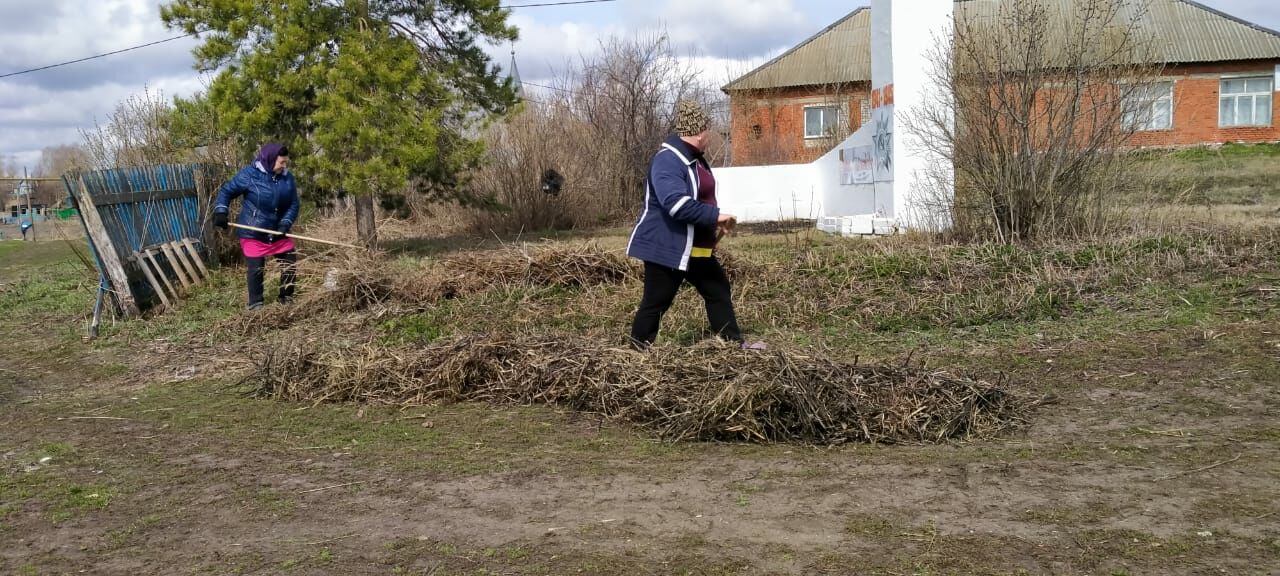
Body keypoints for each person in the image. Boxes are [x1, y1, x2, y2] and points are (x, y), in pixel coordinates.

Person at [626, 100, 764, 350]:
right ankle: (636, 352)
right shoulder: (668, 160)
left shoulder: (694, 158)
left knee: (717, 288)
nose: (709, 135)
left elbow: (700, 195)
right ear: (700, 131)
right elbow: (676, 204)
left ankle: (733, 345)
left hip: (694, 247)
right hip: (667, 247)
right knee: (657, 301)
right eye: (707, 130)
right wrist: (716, 216)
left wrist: (713, 225)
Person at [212, 143, 301, 310]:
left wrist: (285, 223)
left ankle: (286, 299)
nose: (284, 166)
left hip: (277, 231)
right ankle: (256, 305)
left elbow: (294, 204)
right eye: (281, 162)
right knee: (256, 270)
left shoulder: (287, 178)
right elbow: (226, 191)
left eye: (285, 162)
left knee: (289, 263)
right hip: (253, 231)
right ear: (270, 160)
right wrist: (221, 211)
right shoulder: (249, 175)